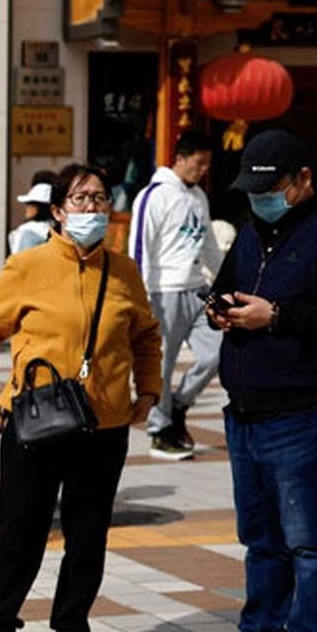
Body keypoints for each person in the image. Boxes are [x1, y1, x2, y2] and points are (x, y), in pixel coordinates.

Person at [0, 163, 162, 632]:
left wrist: (150, 390)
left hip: (105, 423)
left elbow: (146, 337)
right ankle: (1, 628)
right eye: (79, 199)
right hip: (37, 419)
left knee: (88, 531)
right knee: (21, 529)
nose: (91, 208)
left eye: (99, 198)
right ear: (57, 211)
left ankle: (72, 628)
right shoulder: (26, 266)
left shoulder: (124, 271)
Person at [197, 130, 317, 632]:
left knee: (309, 539)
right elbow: (224, 290)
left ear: (302, 181)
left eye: (271, 189)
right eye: (252, 189)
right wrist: (221, 314)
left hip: (302, 409)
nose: (260, 199)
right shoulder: (249, 234)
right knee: (260, 535)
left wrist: (277, 317)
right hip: (244, 408)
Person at [129, 129, 226, 460]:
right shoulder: (153, 195)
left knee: (219, 352)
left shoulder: (199, 196)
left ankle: (180, 405)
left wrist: (226, 282)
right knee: (161, 366)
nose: (203, 170)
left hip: (198, 289)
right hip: (162, 292)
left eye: (207, 165)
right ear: (180, 159)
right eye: (199, 163)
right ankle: (159, 430)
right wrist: (139, 296)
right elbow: (139, 248)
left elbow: (209, 244)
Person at [8, 181, 54, 255]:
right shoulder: (55, 228)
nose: (27, 208)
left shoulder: (28, 230)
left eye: (30, 204)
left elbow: (21, 260)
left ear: (39, 207)